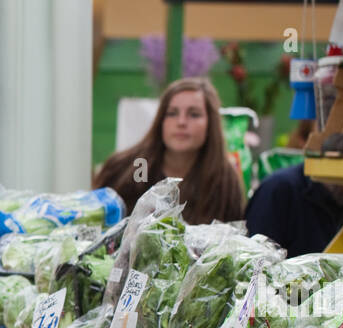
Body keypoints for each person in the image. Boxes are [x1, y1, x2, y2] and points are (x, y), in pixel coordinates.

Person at [94, 77, 245, 225]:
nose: (181, 122)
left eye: (194, 114)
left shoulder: (225, 181)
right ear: (161, 120)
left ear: (211, 124)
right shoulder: (122, 168)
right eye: (172, 113)